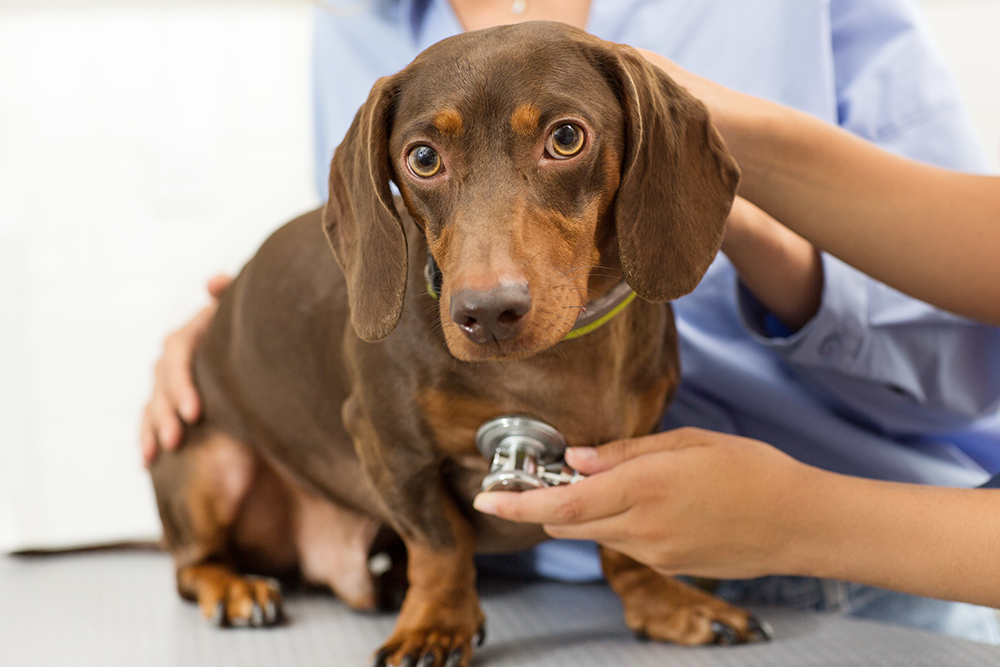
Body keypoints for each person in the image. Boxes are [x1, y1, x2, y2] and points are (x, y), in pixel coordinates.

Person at [141, 0, 1000, 643]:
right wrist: (236, 342)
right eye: (427, 158)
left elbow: (970, 358)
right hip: (521, 589)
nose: (487, 284)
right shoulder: (357, 25)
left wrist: (743, 205)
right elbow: (373, 276)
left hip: (899, 564)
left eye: (561, 141)